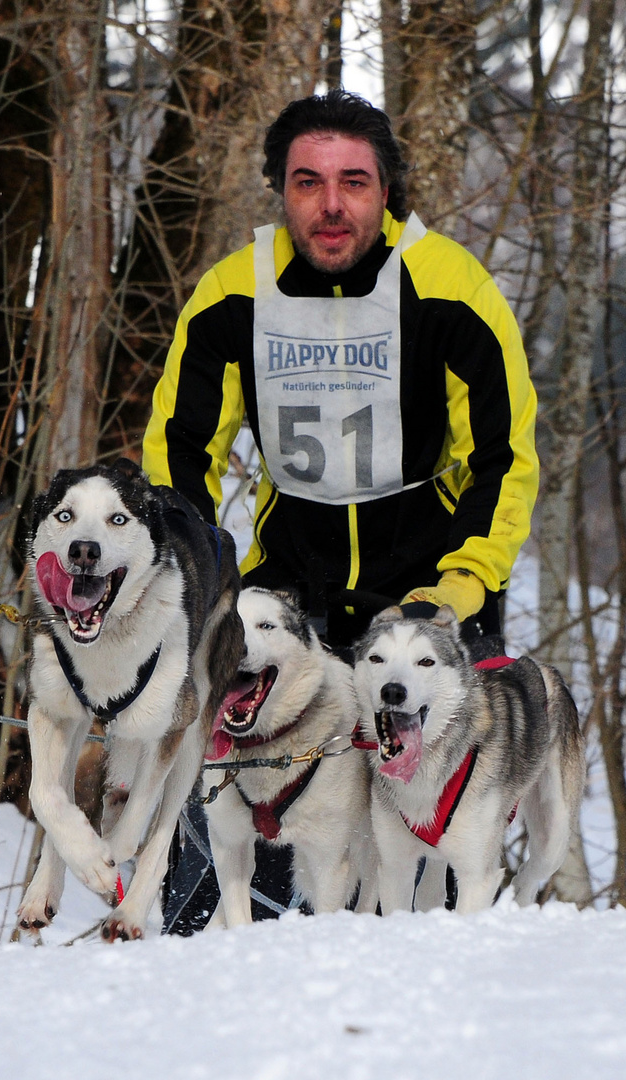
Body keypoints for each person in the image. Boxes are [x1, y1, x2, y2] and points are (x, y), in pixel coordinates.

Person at [143, 91, 539, 929]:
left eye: (354, 182)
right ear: (278, 192)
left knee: (425, 833)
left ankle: (425, 1004)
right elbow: (181, 453)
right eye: (307, 182)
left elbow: (504, 455)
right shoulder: (230, 294)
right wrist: (187, 578)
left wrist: (465, 583)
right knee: (246, 786)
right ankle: (192, 956)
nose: (331, 205)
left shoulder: (450, 287)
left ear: (388, 190)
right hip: (295, 579)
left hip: (432, 582)